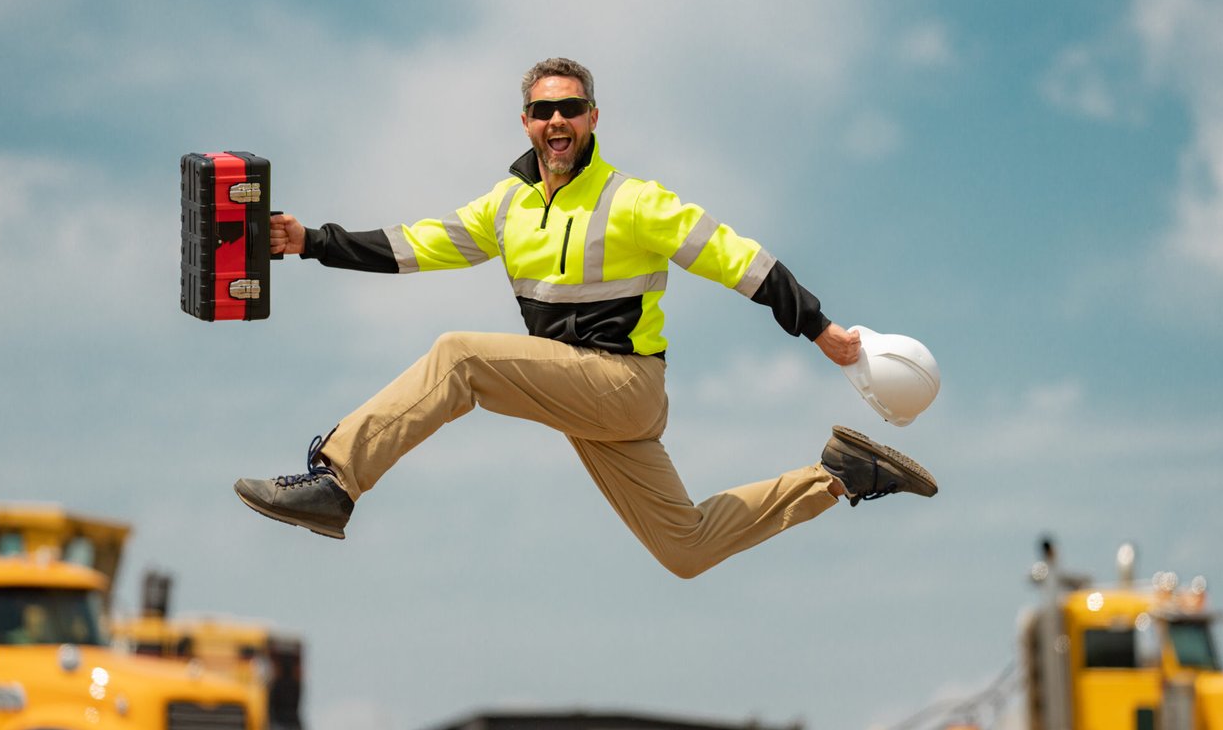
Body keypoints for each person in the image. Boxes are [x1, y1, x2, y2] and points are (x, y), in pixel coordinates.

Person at [234, 57, 936, 579]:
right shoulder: (507, 206)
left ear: (593, 118)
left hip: (624, 383)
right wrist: (312, 241)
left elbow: (735, 258)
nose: (557, 121)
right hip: (582, 398)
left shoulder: (634, 200)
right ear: (527, 124)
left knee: (459, 357)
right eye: (544, 111)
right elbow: (420, 243)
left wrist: (821, 330)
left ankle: (338, 478)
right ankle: (843, 474)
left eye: (571, 108)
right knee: (685, 547)